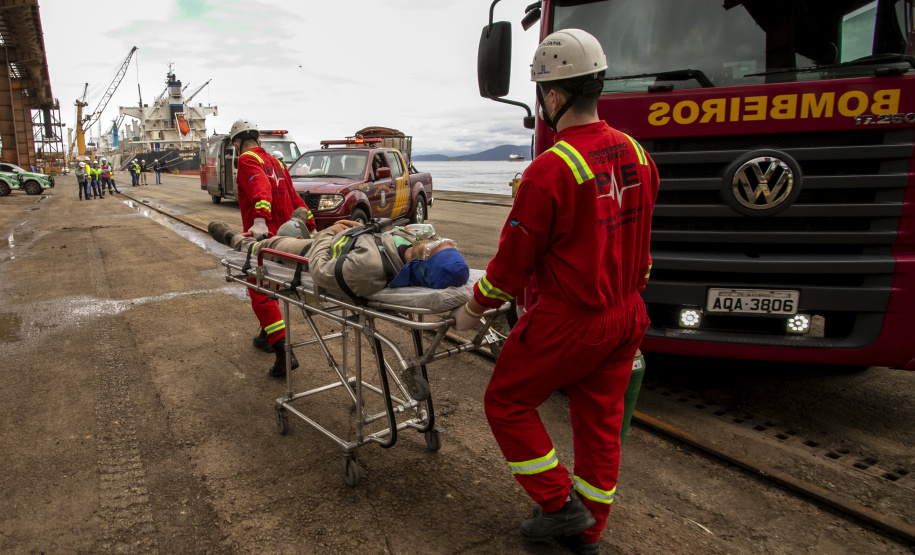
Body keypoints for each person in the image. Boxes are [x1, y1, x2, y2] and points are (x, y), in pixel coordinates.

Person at [450, 29, 659, 554]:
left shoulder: (551, 171)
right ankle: (588, 534)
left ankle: (559, 504)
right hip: (628, 313)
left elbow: (511, 267)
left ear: (554, 96)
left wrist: (474, 310)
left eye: (543, 94)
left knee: (506, 402)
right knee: (600, 426)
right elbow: (642, 242)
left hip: (572, 320)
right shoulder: (638, 154)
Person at [230, 118, 313, 377]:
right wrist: (310, 223)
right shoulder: (277, 163)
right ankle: (267, 334)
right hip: (287, 237)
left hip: (266, 238)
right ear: (259, 140)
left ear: (236, 143)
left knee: (260, 293)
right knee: (271, 287)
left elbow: (260, 186)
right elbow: (294, 197)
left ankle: (284, 353)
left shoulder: (246, 160)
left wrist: (259, 219)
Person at [208, 217, 468, 299]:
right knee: (296, 232)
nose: (436, 241)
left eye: (435, 246)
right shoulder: (410, 243)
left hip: (311, 253)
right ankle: (300, 222)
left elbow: (320, 270)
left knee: (272, 244)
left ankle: (236, 241)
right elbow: (382, 239)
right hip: (343, 241)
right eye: (443, 242)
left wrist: (327, 232)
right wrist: (361, 228)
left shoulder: (369, 269)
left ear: (423, 261)